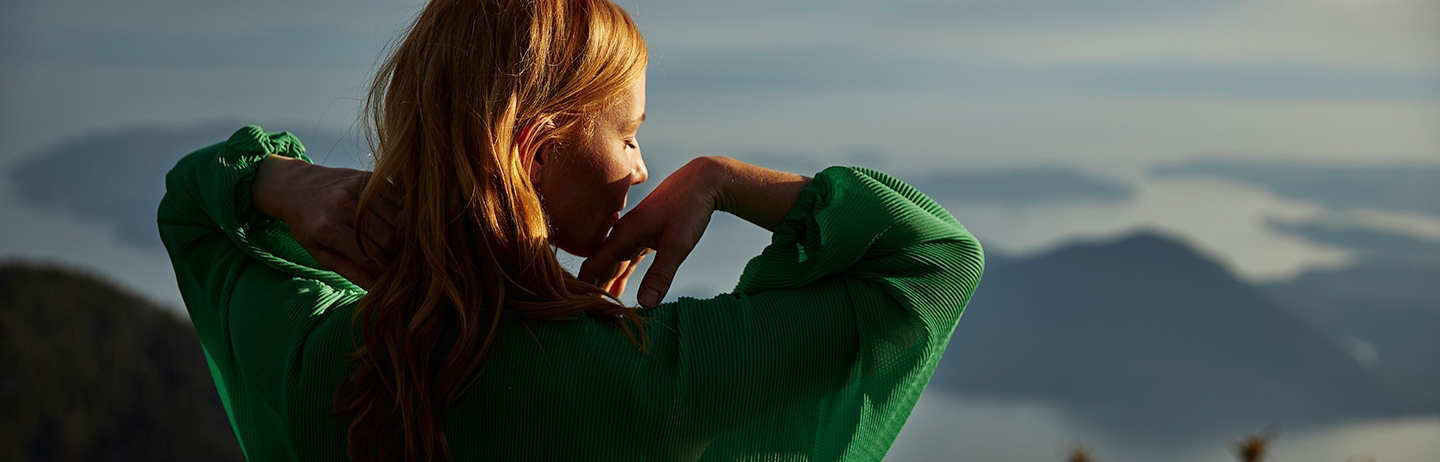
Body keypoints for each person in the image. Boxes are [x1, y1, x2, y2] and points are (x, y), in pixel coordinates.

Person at [157, 0, 984, 460]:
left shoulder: (316, 358)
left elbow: (192, 214)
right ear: (539, 153)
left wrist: (279, 183)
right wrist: (722, 180)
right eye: (627, 133)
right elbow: (933, 258)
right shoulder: (656, 375)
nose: (638, 168)